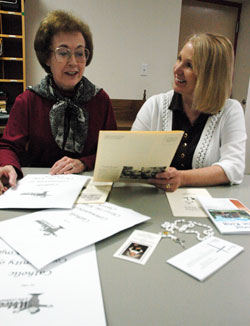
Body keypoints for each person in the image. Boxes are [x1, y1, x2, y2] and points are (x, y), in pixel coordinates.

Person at [0, 10, 117, 194]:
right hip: (41, 191)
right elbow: (8, 146)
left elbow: (112, 152)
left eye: (80, 53)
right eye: (63, 53)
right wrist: (8, 165)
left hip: (90, 191)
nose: (73, 62)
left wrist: (83, 163)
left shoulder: (100, 100)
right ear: (47, 57)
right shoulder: (28, 101)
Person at [132, 33, 247, 192]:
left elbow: (234, 167)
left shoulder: (230, 111)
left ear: (210, 76)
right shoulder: (155, 106)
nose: (176, 69)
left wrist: (182, 178)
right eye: (179, 59)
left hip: (206, 204)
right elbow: (131, 155)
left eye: (189, 65)